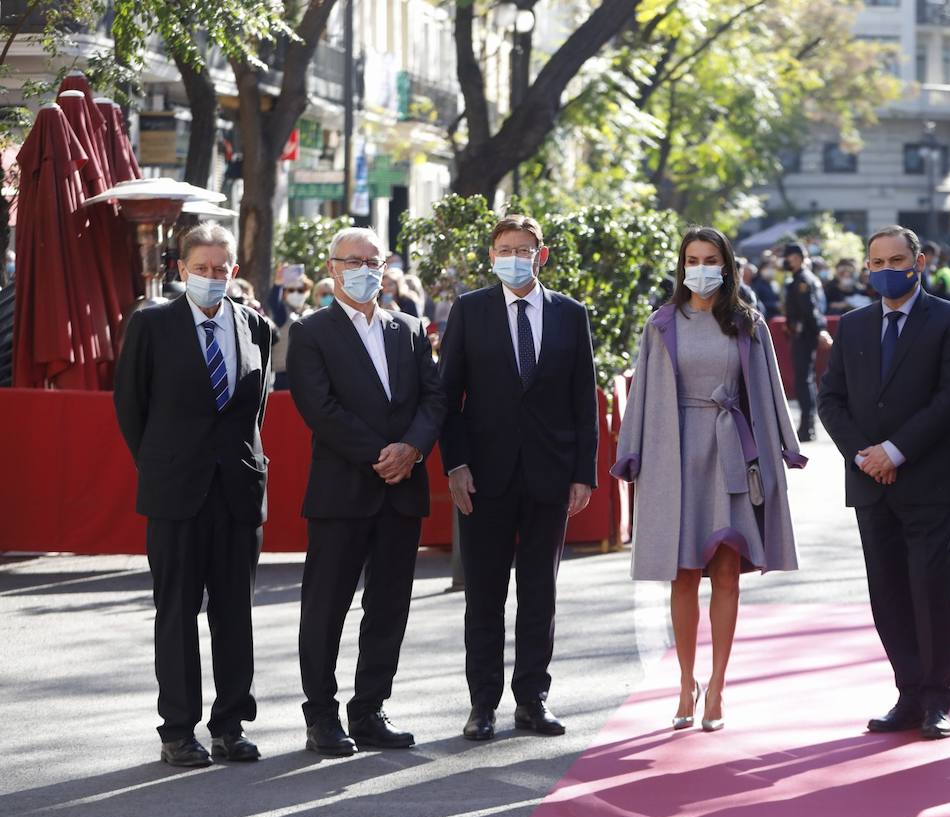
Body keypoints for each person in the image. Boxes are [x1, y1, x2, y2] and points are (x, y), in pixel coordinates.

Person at [612, 227, 805, 731]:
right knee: (682, 576)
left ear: (727, 264)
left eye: (710, 258)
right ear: (681, 266)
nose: (700, 267)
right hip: (675, 457)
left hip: (730, 458)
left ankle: (717, 685)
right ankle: (684, 682)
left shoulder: (749, 325)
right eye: (692, 259)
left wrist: (784, 447)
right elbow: (641, 396)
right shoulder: (660, 325)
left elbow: (768, 392)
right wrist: (629, 454)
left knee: (724, 573)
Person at [112, 222, 273, 767]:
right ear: (181, 270)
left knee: (235, 612)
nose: (211, 277)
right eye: (200, 268)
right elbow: (131, 408)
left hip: (238, 491)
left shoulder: (256, 325)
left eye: (220, 269)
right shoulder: (152, 324)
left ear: (234, 270)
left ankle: (231, 724)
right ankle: (178, 729)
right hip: (176, 492)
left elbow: (255, 410)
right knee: (176, 611)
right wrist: (165, 464)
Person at [438, 215, 599, 742]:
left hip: (550, 477)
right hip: (484, 477)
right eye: (504, 248)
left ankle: (532, 700)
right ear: (491, 256)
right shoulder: (470, 311)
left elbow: (583, 401)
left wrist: (583, 473)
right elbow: (448, 396)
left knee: (539, 593)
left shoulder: (571, 316)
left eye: (523, 249)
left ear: (541, 255)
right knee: (484, 593)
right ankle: (481, 704)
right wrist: (455, 464)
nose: (514, 256)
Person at [287, 227, 446, 756]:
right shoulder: (311, 331)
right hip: (342, 491)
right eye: (353, 260)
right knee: (326, 608)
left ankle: (370, 709)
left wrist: (413, 450)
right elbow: (318, 406)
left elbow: (433, 398)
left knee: (389, 607)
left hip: (402, 491)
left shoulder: (408, 327)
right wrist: (383, 454)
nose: (365, 269)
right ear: (332, 268)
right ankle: (322, 716)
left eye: (373, 260)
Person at [817, 226, 950, 740]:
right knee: (887, 594)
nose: (886, 269)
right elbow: (830, 399)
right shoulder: (854, 325)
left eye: (896, 259)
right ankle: (907, 694)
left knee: (930, 592)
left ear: (920, 261)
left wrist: (896, 450)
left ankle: (936, 700)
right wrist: (864, 455)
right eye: (876, 261)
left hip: (928, 481)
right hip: (870, 483)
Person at [782, 242, 827, 442]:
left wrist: (819, 330)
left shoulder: (802, 280)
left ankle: (807, 426)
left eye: (788, 257)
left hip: (803, 335)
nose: (785, 261)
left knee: (804, 379)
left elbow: (809, 309)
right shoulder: (806, 278)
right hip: (803, 333)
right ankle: (808, 425)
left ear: (797, 258)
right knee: (805, 378)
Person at [271, 275, 314, 391]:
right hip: (285, 375)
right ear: (284, 293)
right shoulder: (282, 313)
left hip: (310, 373)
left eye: (300, 290)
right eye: (291, 290)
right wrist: (278, 284)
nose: (296, 293)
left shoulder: (311, 312)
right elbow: (273, 302)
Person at [750, 253, 782, 319]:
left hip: (776, 317)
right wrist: (774, 305)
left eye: (773, 267)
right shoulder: (757, 284)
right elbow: (757, 303)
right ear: (762, 269)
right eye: (768, 267)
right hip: (766, 317)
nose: (771, 270)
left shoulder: (774, 284)